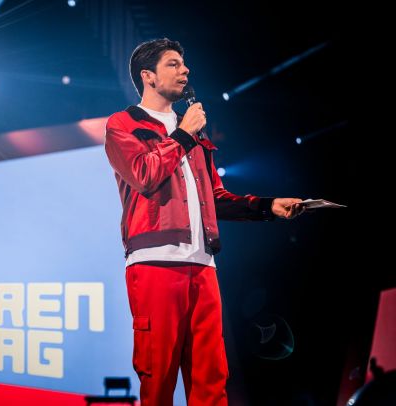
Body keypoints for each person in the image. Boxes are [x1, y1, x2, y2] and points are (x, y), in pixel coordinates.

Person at [104, 38, 305, 406]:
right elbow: (144, 174)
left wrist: (267, 206)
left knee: (211, 377)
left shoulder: (194, 132)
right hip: (155, 263)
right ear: (148, 76)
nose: (185, 70)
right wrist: (183, 134)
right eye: (173, 64)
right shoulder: (124, 124)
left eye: (184, 64)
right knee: (158, 376)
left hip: (203, 265)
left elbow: (214, 198)